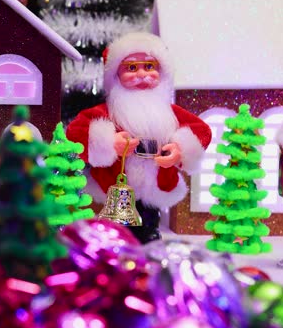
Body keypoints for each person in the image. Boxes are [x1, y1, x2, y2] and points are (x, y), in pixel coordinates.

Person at [66, 32, 212, 243]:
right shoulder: (107, 111)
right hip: (116, 182)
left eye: (149, 66)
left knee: (149, 216)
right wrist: (108, 143)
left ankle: (149, 234)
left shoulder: (169, 112)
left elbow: (201, 130)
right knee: (119, 221)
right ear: (116, 74)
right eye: (132, 68)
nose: (142, 74)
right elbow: (76, 132)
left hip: (155, 182)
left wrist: (179, 150)